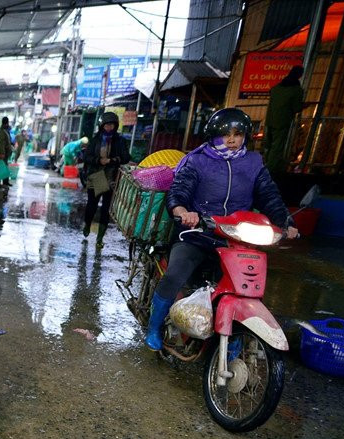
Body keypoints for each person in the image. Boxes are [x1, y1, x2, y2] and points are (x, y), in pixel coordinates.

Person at [144, 108, 298, 351]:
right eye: (226, 134)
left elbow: (269, 196)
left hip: (235, 239)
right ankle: (153, 327)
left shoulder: (254, 163)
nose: (232, 140)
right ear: (214, 136)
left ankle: (235, 333)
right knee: (175, 276)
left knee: (246, 286)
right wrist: (182, 211)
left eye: (238, 134)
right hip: (197, 235)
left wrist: (286, 222)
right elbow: (179, 191)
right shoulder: (197, 161)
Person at [82, 111, 129, 249]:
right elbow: (86, 157)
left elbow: (126, 157)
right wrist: (99, 160)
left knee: (106, 209)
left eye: (112, 125)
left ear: (116, 126)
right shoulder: (96, 140)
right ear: (102, 126)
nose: (109, 127)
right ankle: (87, 224)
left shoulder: (120, 141)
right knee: (92, 205)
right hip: (96, 176)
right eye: (107, 125)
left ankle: (100, 238)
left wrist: (112, 160)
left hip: (112, 177)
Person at [262, 65, 304, 180]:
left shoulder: (277, 88)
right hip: (282, 121)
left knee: (268, 145)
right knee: (277, 147)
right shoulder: (296, 90)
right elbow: (297, 107)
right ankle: (271, 170)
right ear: (300, 75)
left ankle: (267, 166)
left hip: (270, 119)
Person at [0, 117, 13, 186]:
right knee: (1, 168)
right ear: (6, 123)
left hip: (5, 154)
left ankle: (5, 182)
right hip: (2, 154)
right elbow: (1, 144)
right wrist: (2, 154)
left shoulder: (5, 131)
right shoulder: (2, 131)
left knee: (4, 168)